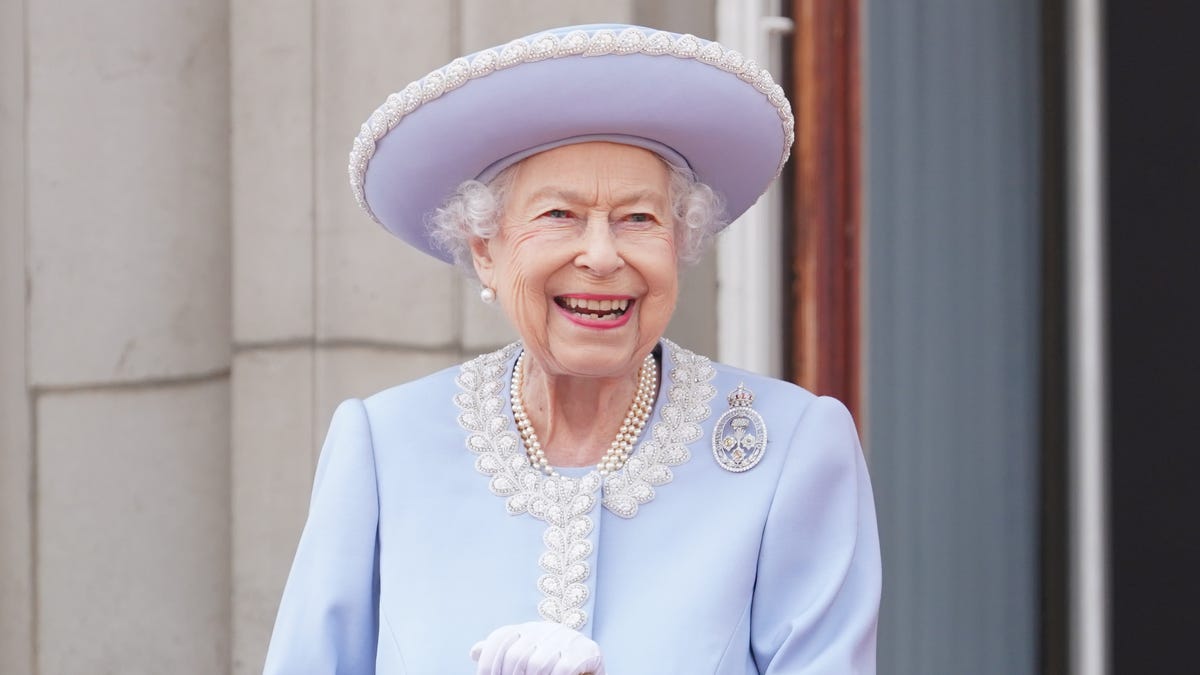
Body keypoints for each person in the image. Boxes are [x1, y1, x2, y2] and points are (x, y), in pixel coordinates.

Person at [264, 24, 880, 675]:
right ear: (485, 250)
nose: (602, 255)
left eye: (638, 218)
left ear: (680, 242)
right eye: (559, 215)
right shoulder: (384, 446)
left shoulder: (791, 450)